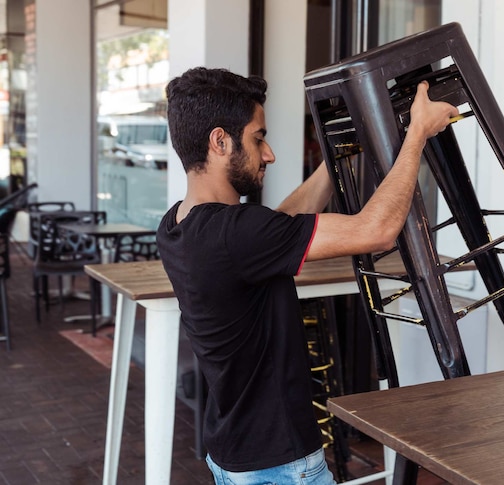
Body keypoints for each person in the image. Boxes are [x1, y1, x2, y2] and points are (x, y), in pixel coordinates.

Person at [156, 66, 458, 485]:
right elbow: (377, 230)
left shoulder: (177, 225)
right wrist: (417, 136)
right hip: (279, 465)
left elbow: (277, 226)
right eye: (258, 138)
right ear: (220, 142)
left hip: (232, 452)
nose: (269, 154)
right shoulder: (237, 234)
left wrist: (333, 162)